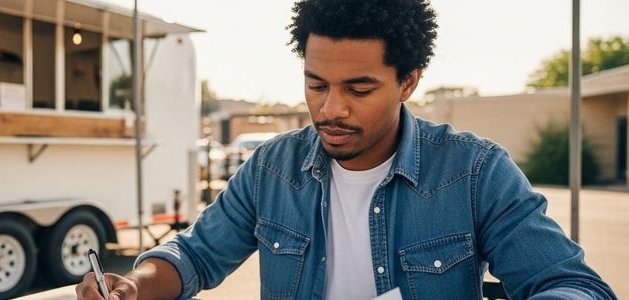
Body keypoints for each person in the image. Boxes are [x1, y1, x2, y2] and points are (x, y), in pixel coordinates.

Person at [77, 0, 616, 299]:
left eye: (358, 89)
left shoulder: (474, 171)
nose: (331, 109)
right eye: (316, 84)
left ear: (407, 82)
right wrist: (133, 288)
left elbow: (568, 284)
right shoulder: (271, 168)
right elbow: (194, 255)